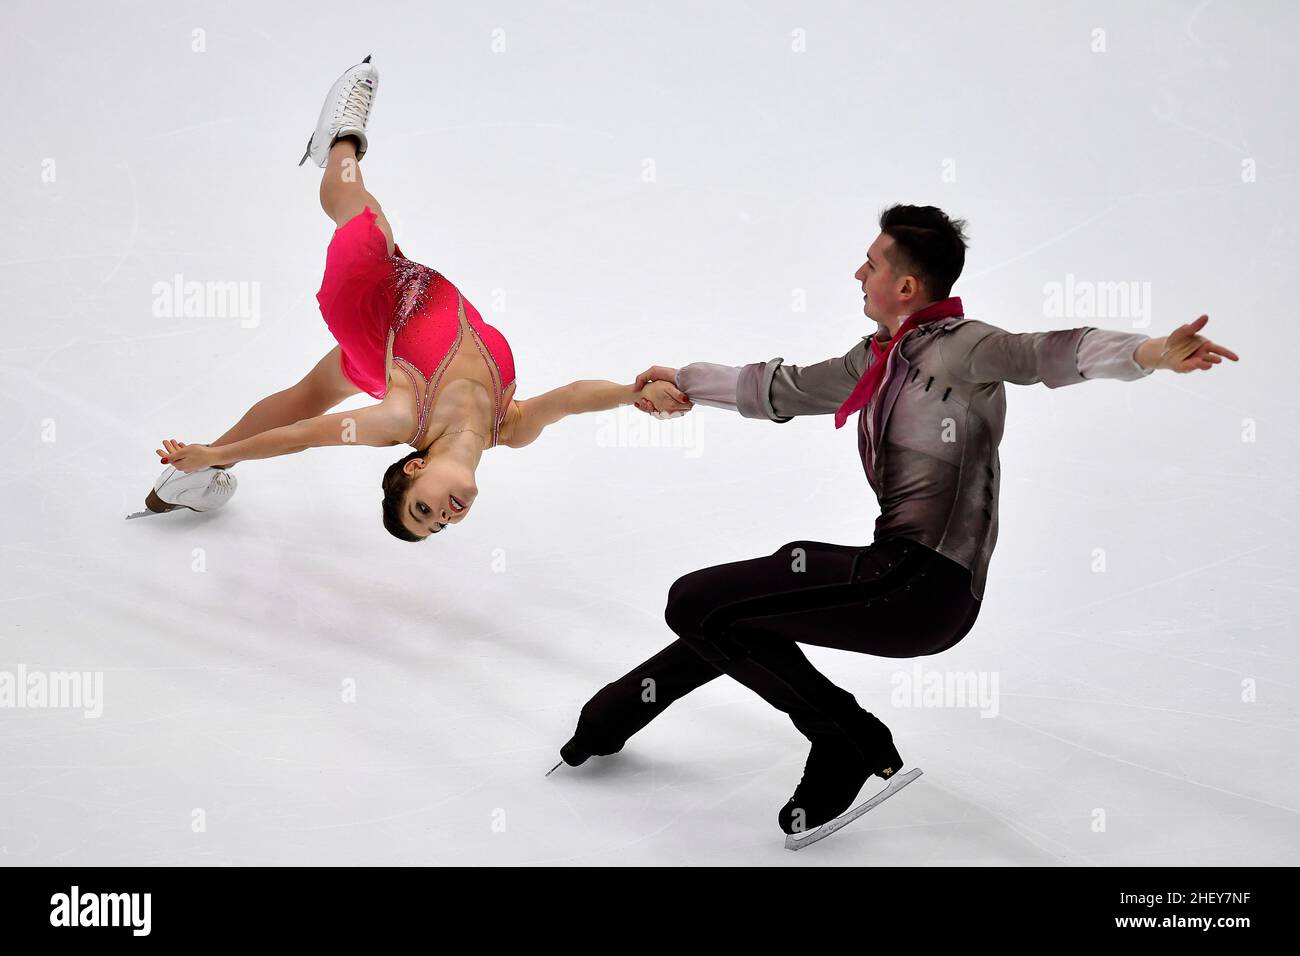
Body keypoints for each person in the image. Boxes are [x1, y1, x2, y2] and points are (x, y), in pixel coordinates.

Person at [562, 204, 1239, 839]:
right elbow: (785, 387)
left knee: (698, 599)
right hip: (895, 576)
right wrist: (684, 378)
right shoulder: (878, 359)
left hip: (920, 586)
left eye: (872, 264)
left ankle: (848, 740)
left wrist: (1148, 353)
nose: (859, 273)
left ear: (907, 284)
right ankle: (613, 715)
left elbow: (1049, 352)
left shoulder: (962, 347)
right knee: (730, 611)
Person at [144, 56, 692, 540]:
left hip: (370, 309)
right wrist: (631, 392)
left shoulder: (400, 420)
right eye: (439, 525)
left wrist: (221, 453)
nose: (444, 515)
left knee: (365, 225)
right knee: (310, 391)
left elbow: (304, 437)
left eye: (423, 509)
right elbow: (572, 397)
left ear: (412, 470)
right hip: (394, 316)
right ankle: (186, 480)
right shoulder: (513, 426)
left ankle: (339, 140)